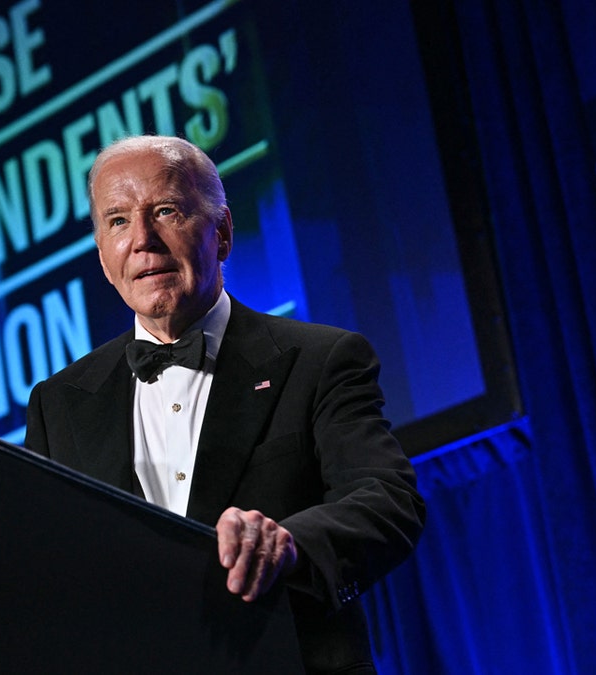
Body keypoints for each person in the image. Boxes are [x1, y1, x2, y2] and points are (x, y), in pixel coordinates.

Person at [24, 135, 425, 673]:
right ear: (102, 257)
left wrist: (289, 545)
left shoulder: (319, 360)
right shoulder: (59, 404)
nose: (143, 240)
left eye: (166, 211)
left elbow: (387, 502)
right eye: (117, 221)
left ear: (224, 233)